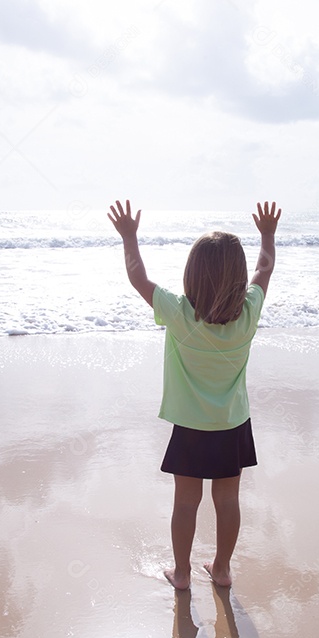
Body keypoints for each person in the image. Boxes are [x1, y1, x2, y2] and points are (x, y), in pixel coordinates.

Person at [107, 199, 281, 590]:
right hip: (232, 424)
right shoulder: (249, 312)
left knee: (186, 502)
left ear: (191, 274)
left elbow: (138, 278)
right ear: (237, 279)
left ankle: (182, 573)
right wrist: (267, 235)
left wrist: (129, 238)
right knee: (228, 501)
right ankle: (221, 569)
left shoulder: (179, 313)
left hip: (190, 426)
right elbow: (264, 269)